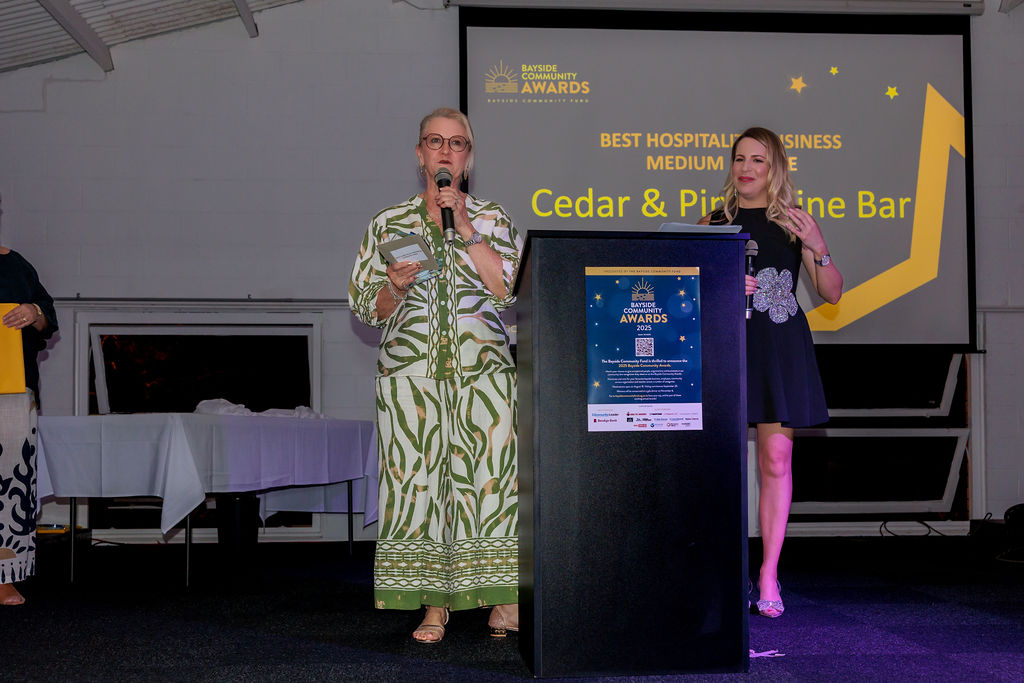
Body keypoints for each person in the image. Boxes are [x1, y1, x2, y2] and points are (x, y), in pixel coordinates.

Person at [349, 107, 524, 642]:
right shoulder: (388, 222)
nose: (445, 151)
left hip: (484, 377)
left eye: (457, 143)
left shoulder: (493, 219)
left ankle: (502, 599)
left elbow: (509, 291)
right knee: (417, 485)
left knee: (491, 484)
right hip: (409, 378)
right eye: (434, 141)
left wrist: (466, 229)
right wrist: (394, 286)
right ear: (419, 155)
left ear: (468, 159)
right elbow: (365, 307)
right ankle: (432, 606)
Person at [700, 127, 843, 618]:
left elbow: (832, 292)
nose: (746, 168)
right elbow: (685, 296)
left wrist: (819, 245)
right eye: (740, 158)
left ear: (774, 167)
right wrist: (720, 285)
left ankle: (768, 573)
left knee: (776, 461)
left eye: (757, 160)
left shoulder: (795, 222)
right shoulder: (713, 223)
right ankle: (724, 570)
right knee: (719, 466)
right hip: (728, 347)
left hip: (779, 349)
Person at [0, 195, 59, 606]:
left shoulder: (17, 264)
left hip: (12, 389)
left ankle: (3, 576)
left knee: (10, 483)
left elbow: (47, 317)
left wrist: (33, 311)